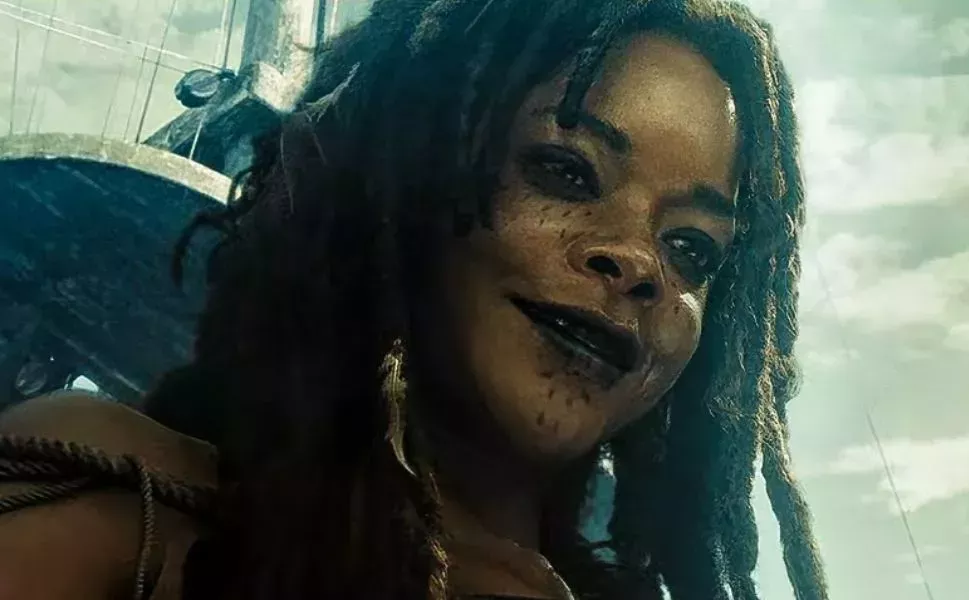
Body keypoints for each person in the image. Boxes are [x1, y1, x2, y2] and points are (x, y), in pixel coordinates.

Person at [0, 0, 828, 598]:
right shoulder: (119, 503)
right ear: (400, 177)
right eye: (564, 171)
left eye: (692, 248)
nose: (641, 261)